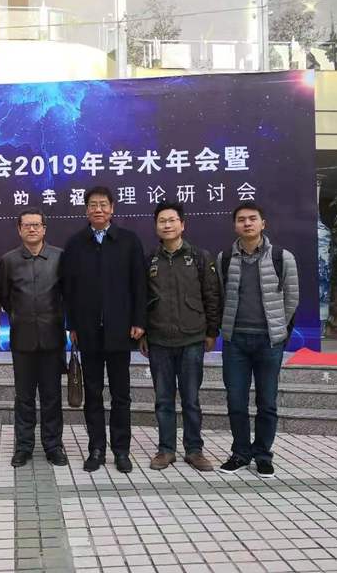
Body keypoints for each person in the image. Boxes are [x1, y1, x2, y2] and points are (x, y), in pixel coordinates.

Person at [62, 186, 146, 474]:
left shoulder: (128, 241)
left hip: (120, 331)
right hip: (88, 332)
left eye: (103, 204)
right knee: (93, 393)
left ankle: (121, 450)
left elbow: (139, 284)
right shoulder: (76, 243)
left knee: (121, 394)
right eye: (93, 205)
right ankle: (96, 448)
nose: (98, 209)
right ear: (86, 210)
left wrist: (138, 321)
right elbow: (69, 289)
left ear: (112, 208)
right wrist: (72, 324)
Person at [216, 202, 299, 478]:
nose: (247, 223)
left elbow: (292, 297)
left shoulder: (282, 257)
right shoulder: (224, 258)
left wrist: (279, 330)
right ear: (235, 225)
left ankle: (263, 454)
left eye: (253, 219)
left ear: (263, 223)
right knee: (236, 401)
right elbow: (220, 296)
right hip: (235, 342)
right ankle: (240, 453)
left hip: (268, 342)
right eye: (241, 219)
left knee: (267, 402)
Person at [140, 201, 220, 472]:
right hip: (159, 340)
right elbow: (141, 300)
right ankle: (166, 450)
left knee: (191, 400)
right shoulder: (149, 260)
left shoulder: (199, 257)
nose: (167, 225)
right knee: (163, 399)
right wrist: (143, 333)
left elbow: (211, 296)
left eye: (172, 220)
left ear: (182, 224)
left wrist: (211, 331)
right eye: (162, 221)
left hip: (192, 339)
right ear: (156, 227)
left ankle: (194, 450)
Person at [0, 208, 68, 468]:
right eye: (27, 225)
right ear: (19, 229)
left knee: (52, 396)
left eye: (37, 224)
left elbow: (67, 294)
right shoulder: (8, 260)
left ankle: (53, 446)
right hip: (23, 339)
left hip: (52, 338)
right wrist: (20, 316)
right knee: (24, 397)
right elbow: (4, 297)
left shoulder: (60, 257)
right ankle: (23, 446)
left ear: (44, 228)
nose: (32, 229)